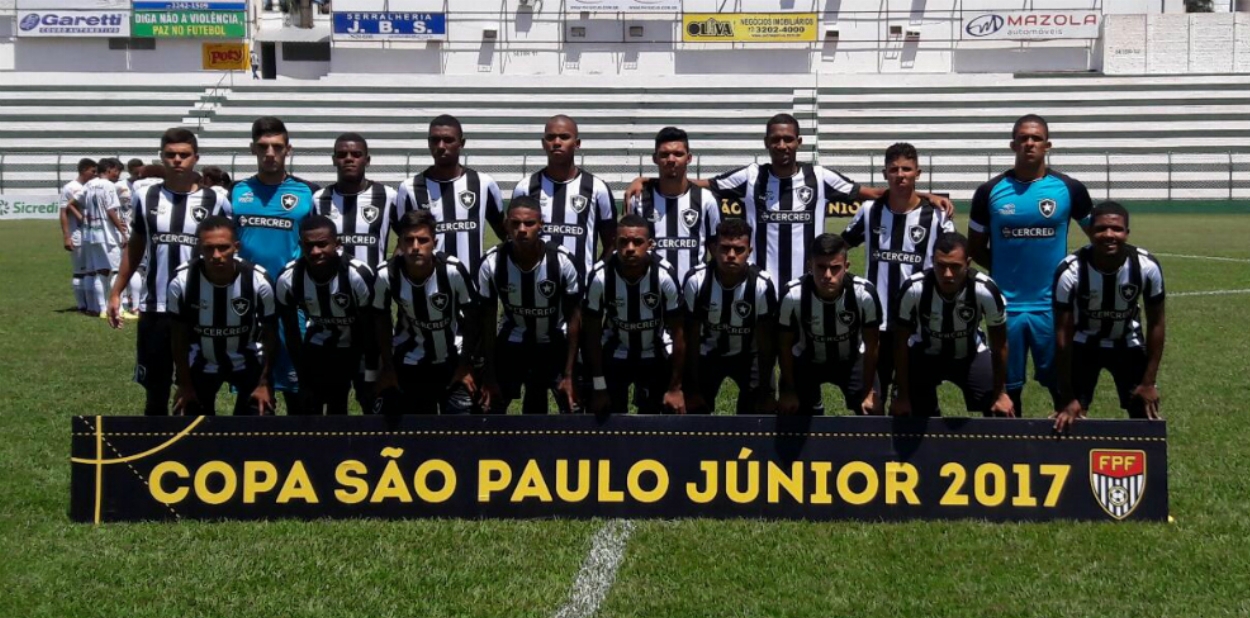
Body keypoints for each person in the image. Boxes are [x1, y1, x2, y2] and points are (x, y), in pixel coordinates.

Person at [624, 114, 955, 287]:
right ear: (766, 143)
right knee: (762, 358)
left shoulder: (820, 176)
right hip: (759, 284)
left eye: (788, 139)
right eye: (775, 139)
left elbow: (874, 193)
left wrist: (922, 195)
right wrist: (648, 180)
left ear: (799, 141)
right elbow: (697, 182)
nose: (782, 145)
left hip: (809, 283)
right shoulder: (751, 175)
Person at [968, 114, 1093, 416]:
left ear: (1047, 145)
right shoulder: (989, 192)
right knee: (1006, 392)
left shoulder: (1069, 189)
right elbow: (974, 248)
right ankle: (1012, 444)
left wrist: (1073, 276)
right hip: (1005, 307)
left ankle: (1067, 441)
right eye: (1023, 138)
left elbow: (1099, 238)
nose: (1029, 143)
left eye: (1036, 138)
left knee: (1062, 387)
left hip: (1053, 307)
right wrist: (1002, 272)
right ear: (1013, 145)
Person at [108, 128, 232, 416]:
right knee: (156, 393)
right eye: (171, 154)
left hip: (201, 308)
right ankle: (157, 443)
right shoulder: (146, 196)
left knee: (198, 393)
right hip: (156, 307)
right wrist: (116, 291)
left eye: (184, 155)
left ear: (195, 158)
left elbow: (228, 251)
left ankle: (195, 444)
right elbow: (135, 246)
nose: (177, 160)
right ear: (162, 157)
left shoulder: (216, 200)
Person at [841, 142, 954, 411]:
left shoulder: (936, 216)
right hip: (876, 321)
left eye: (906, 169)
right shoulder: (870, 211)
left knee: (920, 404)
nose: (900, 175)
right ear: (885, 174)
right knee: (870, 403)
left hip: (919, 322)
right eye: (894, 170)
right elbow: (840, 247)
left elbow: (953, 259)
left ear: (918, 173)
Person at [230, 116, 319, 412]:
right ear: (252, 149)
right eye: (263, 146)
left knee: (299, 393)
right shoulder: (236, 192)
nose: (270, 153)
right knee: (251, 395)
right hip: (249, 303)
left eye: (277, 147)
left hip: (291, 303)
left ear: (288, 150)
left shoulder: (309, 193)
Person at [1052, 202, 1166, 432]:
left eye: (1117, 229)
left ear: (1127, 233)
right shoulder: (1070, 270)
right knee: (1071, 416)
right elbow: (1062, 334)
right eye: (1101, 229)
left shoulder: (1146, 266)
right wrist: (1067, 395)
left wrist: (1148, 382)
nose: (1109, 235)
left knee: (1144, 411)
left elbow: (1156, 323)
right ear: (1090, 231)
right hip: (1083, 344)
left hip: (1128, 343)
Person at [313, 132, 397, 412]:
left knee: (371, 393)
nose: (349, 159)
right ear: (333, 159)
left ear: (367, 160)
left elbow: (407, 235)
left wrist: (389, 271)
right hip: (331, 318)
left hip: (372, 317)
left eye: (356, 154)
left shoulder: (387, 196)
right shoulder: (320, 199)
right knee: (334, 399)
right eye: (342, 154)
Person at [478, 196, 583, 415]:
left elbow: (574, 318)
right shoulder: (492, 262)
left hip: (555, 340)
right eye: (515, 223)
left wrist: (569, 375)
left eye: (529, 223)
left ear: (541, 225)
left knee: (572, 407)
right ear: (506, 225)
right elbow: (486, 320)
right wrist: (489, 374)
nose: (522, 230)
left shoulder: (562, 261)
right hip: (513, 339)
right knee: (490, 407)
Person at [891, 232, 1014, 418]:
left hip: (970, 355)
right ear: (932, 262)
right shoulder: (913, 288)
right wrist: (902, 395)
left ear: (968, 263)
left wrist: (1000, 393)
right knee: (906, 414)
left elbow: (1000, 344)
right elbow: (900, 343)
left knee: (998, 409)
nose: (947, 274)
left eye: (955, 266)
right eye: (941, 266)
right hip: (924, 356)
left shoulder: (985, 290)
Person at [373, 210, 481, 415]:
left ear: (434, 242)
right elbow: (380, 319)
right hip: (410, 358)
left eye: (423, 240)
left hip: (453, 357)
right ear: (400, 243)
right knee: (410, 424)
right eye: (409, 240)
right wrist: (387, 368)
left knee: (461, 424)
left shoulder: (453, 270)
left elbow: (473, 318)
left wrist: (465, 365)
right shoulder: (386, 274)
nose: (415, 247)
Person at [168, 216, 277, 416]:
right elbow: (178, 337)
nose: (216, 255)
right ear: (200, 248)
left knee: (261, 415)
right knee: (187, 416)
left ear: (236, 247)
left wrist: (264, 383)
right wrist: (184, 385)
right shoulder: (182, 281)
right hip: (201, 360)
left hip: (247, 360)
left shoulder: (258, 281)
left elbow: (271, 335)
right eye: (209, 248)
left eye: (223, 248)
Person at [583, 214, 686, 415]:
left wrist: (675, 388)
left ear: (650, 244)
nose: (630, 248)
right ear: (615, 243)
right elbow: (591, 334)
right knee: (608, 418)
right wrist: (599, 386)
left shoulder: (664, 275)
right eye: (624, 242)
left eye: (638, 242)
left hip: (654, 351)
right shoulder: (600, 276)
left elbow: (679, 334)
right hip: (615, 351)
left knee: (652, 420)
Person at [276, 215, 376, 415]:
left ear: (337, 244)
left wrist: (372, 377)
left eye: (322, 244)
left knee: (372, 403)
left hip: (361, 347)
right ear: (301, 246)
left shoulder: (357, 275)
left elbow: (372, 329)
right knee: (317, 407)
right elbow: (292, 334)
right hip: (322, 345)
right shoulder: (289, 278)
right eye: (309, 246)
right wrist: (303, 380)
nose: (315, 252)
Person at [777, 234, 882, 416]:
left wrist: (869, 392)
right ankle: (811, 404)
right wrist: (789, 390)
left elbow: (872, 344)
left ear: (846, 267)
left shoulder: (864, 294)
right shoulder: (793, 295)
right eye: (821, 267)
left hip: (851, 360)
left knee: (872, 411)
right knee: (791, 412)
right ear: (810, 266)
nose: (827, 275)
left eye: (835, 268)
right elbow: (784, 345)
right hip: (807, 361)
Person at [683, 218, 777, 415]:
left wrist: (766, 392)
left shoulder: (761, 285)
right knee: (695, 414)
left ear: (749, 251)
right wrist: (691, 388)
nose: (731, 255)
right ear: (714, 249)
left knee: (757, 416)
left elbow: (766, 344)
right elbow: (690, 338)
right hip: (708, 354)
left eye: (739, 249)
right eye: (725, 248)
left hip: (749, 355)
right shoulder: (696, 281)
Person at [511, 114, 617, 281]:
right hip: (535, 286)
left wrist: (595, 277)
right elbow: (513, 239)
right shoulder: (525, 188)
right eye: (550, 137)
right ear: (543, 144)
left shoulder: (597, 188)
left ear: (577, 143)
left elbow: (612, 243)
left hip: (582, 287)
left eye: (564, 137)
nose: (557, 142)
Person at [394, 115, 504, 276]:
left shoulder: (483, 183)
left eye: (448, 140)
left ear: (461, 143)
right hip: (430, 284)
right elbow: (404, 241)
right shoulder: (409, 188)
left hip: (473, 283)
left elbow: (505, 233)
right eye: (435, 140)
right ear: (428, 143)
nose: (441, 146)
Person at [625, 126, 721, 284]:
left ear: (689, 158)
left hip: (693, 291)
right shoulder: (639, 200)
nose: (671, 159)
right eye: (664, 154)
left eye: (678, 154)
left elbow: (717, 252)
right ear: (655, 158)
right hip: (652, 290)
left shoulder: (706, 199)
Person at [68, 158, 126, 318]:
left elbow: (71, 203)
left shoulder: (89, 184)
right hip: (108, 234)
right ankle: (119, 309)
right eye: (117, 171)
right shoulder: (108, 185)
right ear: (109, 169)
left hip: (92, 234)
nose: (118, 175)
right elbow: (110, 210)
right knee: (116, 271)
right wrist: (122, 231)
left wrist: (84, 219)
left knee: (101, 272)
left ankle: (102, 309)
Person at [60, 158, 96, 314]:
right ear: (83, 170)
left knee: (91, 270)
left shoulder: (91, 186)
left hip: (92, 234)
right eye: (92, 171)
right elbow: (63, 212)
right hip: (77, 234)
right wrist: (66, 236)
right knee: (80, 271)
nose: (95, 174)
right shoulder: (70, 188)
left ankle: (91, 303)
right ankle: (82, 305)